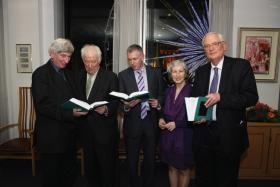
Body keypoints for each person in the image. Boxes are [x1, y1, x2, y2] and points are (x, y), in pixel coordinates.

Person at [191, 32, 259, 187]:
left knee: (226, 180)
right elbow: (198, 99)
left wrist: (222, 97)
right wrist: (199, 115)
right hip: (203, 135)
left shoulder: (240, 66)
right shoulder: (201, 71)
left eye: (214, 44)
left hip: (229, 136)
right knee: (204, 179)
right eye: (206, 46)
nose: (210, 48)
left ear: (224, 45)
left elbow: (251, 97)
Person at [32, 38, 86, 187]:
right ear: (52, 54)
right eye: (63, 56)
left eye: (69, 56)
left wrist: (85, 105)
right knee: (52, 178)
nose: (67, 60)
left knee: (69, 175)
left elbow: (76, 97)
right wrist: (70, 114)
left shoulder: (68, 74)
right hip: (51, 138)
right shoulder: (40, 74)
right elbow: (43, 106)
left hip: (69, 136)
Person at [74, 44, 119, 187]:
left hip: (104, 132)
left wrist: (106, 109)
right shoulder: (78, 75)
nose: (90, 64)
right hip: (85, 131)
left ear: (99, 60)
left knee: (107, 169)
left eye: (93, 61)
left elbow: (115, 102)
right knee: (90, 168)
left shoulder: (110, 77)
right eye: (86, 61)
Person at [118, 44, 162, 187]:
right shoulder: (123, 75)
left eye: (135, 59)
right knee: (131, 161)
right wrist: (127, 105)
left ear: (142, 57)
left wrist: (158, 102)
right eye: (129, 59)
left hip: (151, 122)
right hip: (132, 124)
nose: (132, 62)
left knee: (150, 161)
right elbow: (120, 102)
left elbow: (162, 94)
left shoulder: (155, 73)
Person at [158, 60, 194, 187]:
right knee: (172, 168)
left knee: (184, 170)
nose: (177, 74)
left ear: (185, 73)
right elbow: (162, 110)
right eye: (174, 71)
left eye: (180, 71)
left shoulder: (192, 91)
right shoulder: (168, 91)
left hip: (184, 136)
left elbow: (194, 118)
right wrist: (161, 119)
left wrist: (177, 124)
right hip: (168, 136)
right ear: (170, 74)